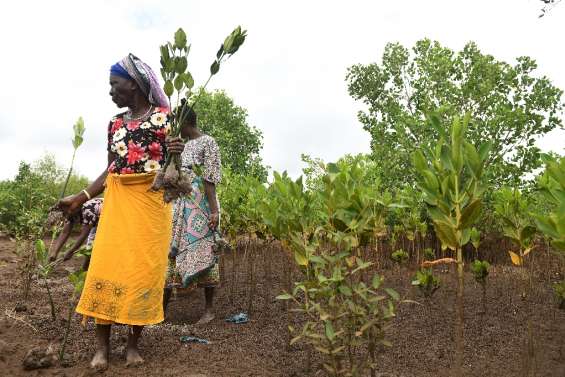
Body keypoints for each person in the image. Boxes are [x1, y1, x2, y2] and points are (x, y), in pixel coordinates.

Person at [57, 53, 173, 370]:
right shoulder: (115, 123)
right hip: (119, 201)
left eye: (114, 84)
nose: (110, 91)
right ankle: (102, 349)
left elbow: (177, 167)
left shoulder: (165, 118)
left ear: (133, 84)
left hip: (152, 204)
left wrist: (177, 155)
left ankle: (133, 345)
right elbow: (110, 169)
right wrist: (80, 197)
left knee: (142, 271)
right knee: (106, 267)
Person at [163, 107, 221, 325]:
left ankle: (209, 310)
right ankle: (162, 309)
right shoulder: (179, 146)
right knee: (170, 255)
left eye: (174, 122)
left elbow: (210, 180)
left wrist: (213, 211)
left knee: (206, 251)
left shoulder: (208, 142)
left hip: (201, 205)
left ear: (183, 122)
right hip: (179, 206)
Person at [49, 198, 103, 270]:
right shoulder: (70, 211)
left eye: (66, 212)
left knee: (91, 247)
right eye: (64, 212)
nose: (66, 215)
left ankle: (85, 271)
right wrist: (54, 252)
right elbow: (65, 232)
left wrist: (71, 251)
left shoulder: (88, 210)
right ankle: (86, 270)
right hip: (97, 220)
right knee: (90, 246)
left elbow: (83, 235)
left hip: (111, 216)